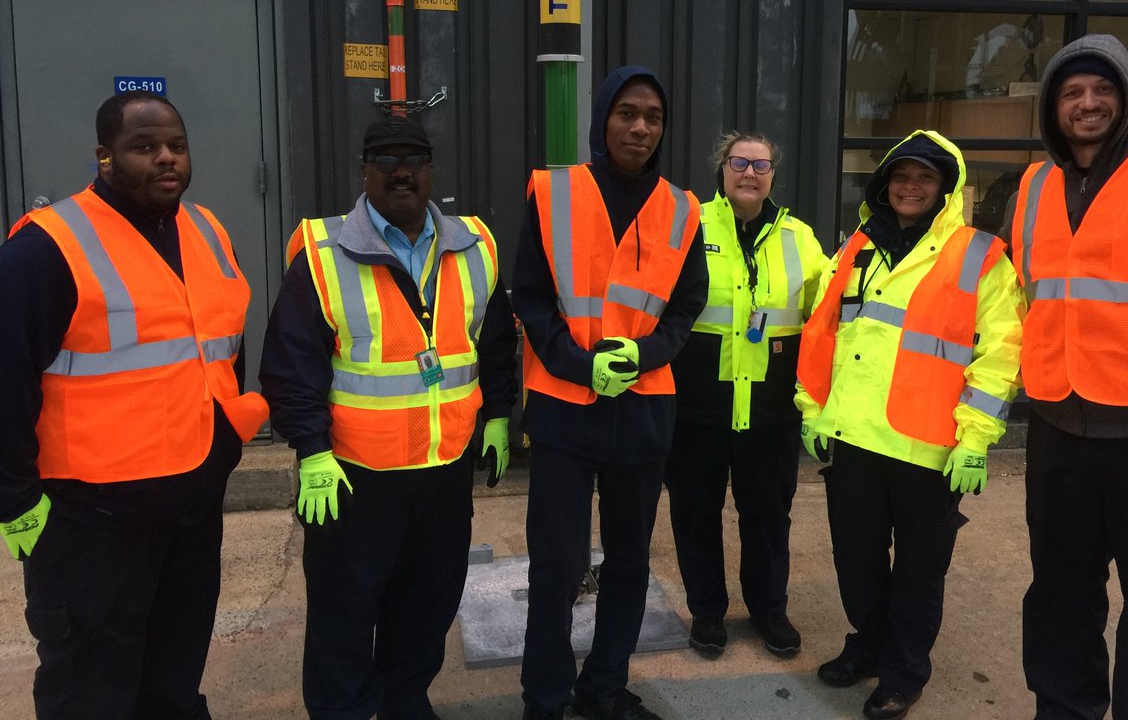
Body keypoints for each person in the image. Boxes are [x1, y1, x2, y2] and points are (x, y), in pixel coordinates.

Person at [0, 92, 269, 718]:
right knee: (90, 689)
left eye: (175, 145)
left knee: (172, 680)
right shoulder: (47, 247)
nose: (166, 158)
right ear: (104, 157)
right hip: (90, 524)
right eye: (144, 147)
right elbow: (7, 379)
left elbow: (221, 350)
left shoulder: (206, 229)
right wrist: (17, 506)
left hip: (189, 512)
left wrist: (224, 446)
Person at [259, 116, 517, 719]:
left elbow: (497, 344)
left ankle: (405, 701)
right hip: (354, 477)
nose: (401, 172)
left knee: (427, 601)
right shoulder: (323, 255)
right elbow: (290, 365)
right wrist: (312, 451)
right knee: (343, 611)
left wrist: (501, 415)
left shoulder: (474, 246)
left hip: (443, 470)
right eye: (385, 160)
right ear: (365, 171)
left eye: (414, 160)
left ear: (431, 171)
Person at [795, 129, 1024, 720]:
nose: (910, 186)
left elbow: (999, 356)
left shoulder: (981, 256)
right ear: (884, 184)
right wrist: (813, 409)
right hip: (853, 439)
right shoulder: (858, 249)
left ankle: (902, 674)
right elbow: (823, 335)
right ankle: (867, 648)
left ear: (945, 188)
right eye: (901, 176)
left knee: (919, 575)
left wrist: (975, 441)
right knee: (857, 564)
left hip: (931, 449)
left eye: (924, 177)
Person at [1011, 34, 1128, 719]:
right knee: (1060, 598)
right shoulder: (1031, 187)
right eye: (1071, 92)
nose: (1087, 103)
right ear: (1053, 108)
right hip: (1059, 428)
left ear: (1126, 98)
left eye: (1102, 90)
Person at [514, 66, 707, 720]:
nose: (641, 127)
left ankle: (603, 687)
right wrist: (578, 364)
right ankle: (544, 699)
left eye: (652, 116)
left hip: (644, 413)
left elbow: (687, 305)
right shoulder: (553, 192)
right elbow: (532, 298)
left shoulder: (683, 208)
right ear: (603, 119)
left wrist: (645, 353)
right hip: (566, 414)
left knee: (628, 566)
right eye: (628, 112)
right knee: (558, 571)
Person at [664, 131, 826, 658]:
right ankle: (707, 613)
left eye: (761, 164)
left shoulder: (800, 237)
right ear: (722, 169)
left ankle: (768, 611)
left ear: (774, 173)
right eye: (739, 162)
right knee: (695, 514)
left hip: (770, 410)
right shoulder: (688, 228)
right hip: (696, 409)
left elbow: (824, 321)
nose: (749, 173)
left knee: (766, 515)